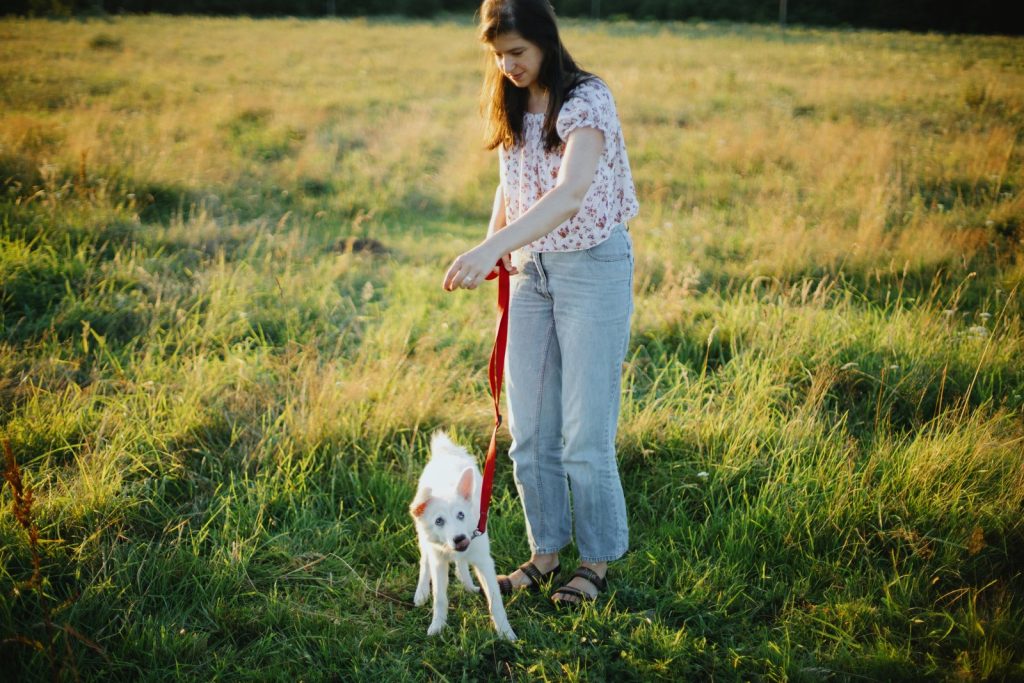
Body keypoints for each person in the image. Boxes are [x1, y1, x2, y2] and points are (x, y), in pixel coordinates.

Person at [442, 0, 639, 605]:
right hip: (532, 270)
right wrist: (494, 243)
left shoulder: (586, 99)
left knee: (584, 433)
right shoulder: (509, 99)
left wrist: (493, 246)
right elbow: (513, 176)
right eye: (498, 55)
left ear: (546, 43)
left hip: (592, 269)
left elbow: (570, 193)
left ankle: (597, 562)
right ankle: (546, 553)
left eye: (518, 53)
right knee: (529, 430)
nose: (508, 66)